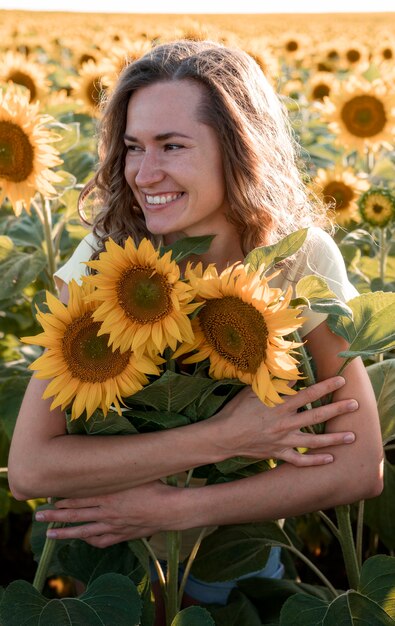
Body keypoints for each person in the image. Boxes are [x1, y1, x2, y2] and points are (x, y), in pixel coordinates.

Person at [8, 40, 383, 622]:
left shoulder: (297, 259)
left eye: (172, 146)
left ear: (239, 151)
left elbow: (361, 467)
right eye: (133, 147)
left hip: (237, 564)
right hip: (116, 561)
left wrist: (175, 509)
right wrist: (225, 437)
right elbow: (31, 467)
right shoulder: (109, 255)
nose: (143, 173)